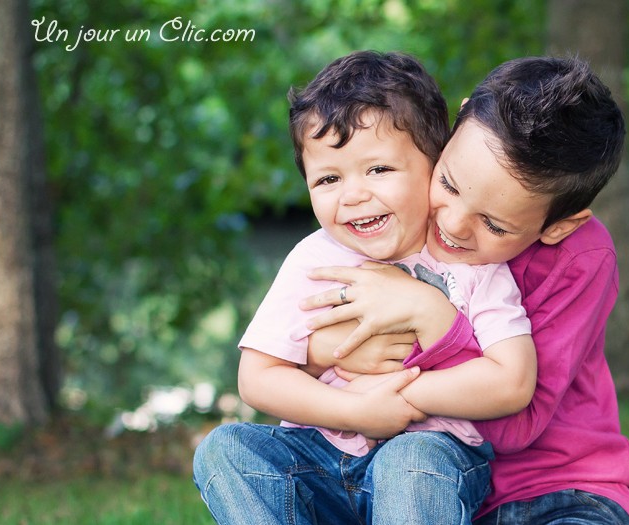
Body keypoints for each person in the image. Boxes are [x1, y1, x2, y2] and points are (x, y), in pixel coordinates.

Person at [193, 50, 538, 525]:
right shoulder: (313, 259)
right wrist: (355, 411)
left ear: (436, 165)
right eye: (329, 178)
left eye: (378, 170)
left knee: (410, 459)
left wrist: (402, 403)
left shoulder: (468, 259)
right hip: (316, 454)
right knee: (224, 449)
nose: (354, 194)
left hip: (429, 456)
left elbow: (512, 381)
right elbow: (258, 377)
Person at [300, 55, 629, 524]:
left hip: (557, 487)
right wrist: (321, 352)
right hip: (425, 480)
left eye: (495, 224)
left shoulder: (581, 257)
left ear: (559, 226)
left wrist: (431, 317)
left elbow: (519, 420)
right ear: (454, 129)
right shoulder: (398, 203)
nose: (452, 225)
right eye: (450, 184)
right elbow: (312, 340)